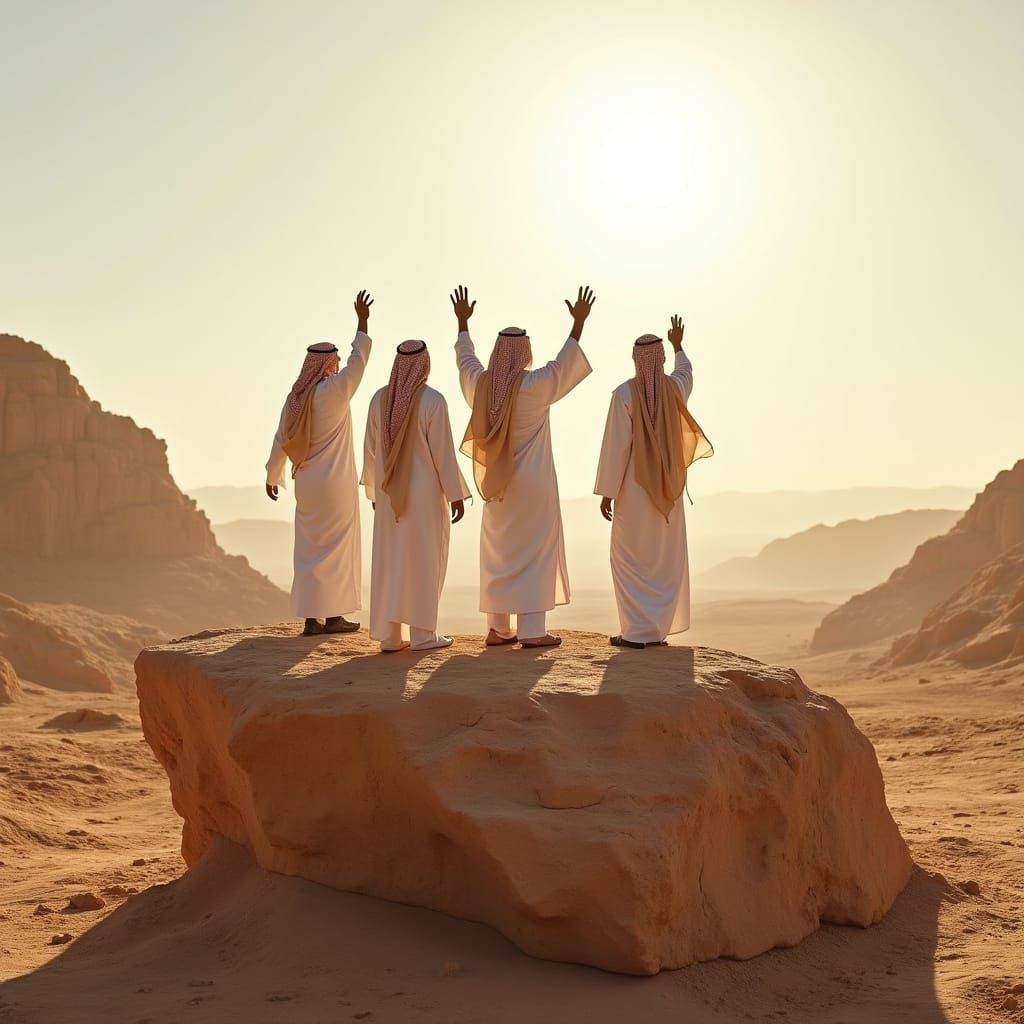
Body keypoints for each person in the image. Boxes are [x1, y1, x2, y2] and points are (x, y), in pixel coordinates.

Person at [453, 284, 594, 649]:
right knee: (534, 550)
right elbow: (565, 363)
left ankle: (498, 628)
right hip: (533, 484)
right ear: (526, 352)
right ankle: (532, 630)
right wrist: (578, 324)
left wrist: (463, 324)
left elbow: (465, 361)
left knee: (499, 551)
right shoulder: (534, 385)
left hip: (495, 483)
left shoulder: (480, 387)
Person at [594, 315, 712, 649]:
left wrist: (607, 491)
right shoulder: (675, 389)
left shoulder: (623, 394)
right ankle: (655, 631)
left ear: (635, 359)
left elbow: (615, 446)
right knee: (664, 558)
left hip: (633, 487)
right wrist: (678, 346)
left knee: (629, 559)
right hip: (669, 488)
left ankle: (636, 632)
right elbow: (687, 371)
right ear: (660, 360)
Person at [266, 290, 374, 636]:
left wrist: (273, 474)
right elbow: (359, 360)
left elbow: (281, 437)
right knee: (337, 547)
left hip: (307, 484)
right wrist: (362, 321)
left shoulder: (295, 397)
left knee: (309, 549)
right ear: (330, 365)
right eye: (336, 362)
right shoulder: (336, 390)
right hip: (336, 485)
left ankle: (312, 619)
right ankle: (334, 618)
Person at [361, 340, 471, 652]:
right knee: (423, 560)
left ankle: (390, 637)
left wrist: (374, 490)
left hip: (387, 493)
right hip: (422, 495)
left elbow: (370, 450)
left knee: (391, 560)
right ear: (425, 364)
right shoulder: (432, 400)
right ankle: (423, 636)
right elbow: (444, 453)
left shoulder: (378, 400)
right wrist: (456, 494)